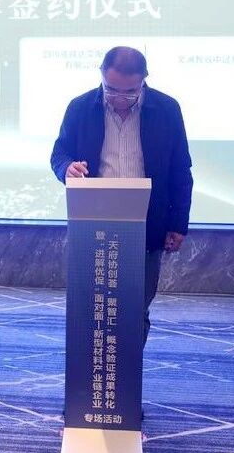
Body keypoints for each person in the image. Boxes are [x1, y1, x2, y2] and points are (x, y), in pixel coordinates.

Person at [51, 46, 193, 345]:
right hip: (93, 223)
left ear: (144, 80)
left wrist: (178, 224)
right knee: (92, 307)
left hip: (147, 224)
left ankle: (128, 369)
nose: (119, 98)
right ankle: (94, 369)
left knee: (135, 308)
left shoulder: (167, 109)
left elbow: (181, 170)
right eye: (111, 89)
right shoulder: (80, 107)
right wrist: (67, 168)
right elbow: (59, 153)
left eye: (130, 92)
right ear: (101, 75)